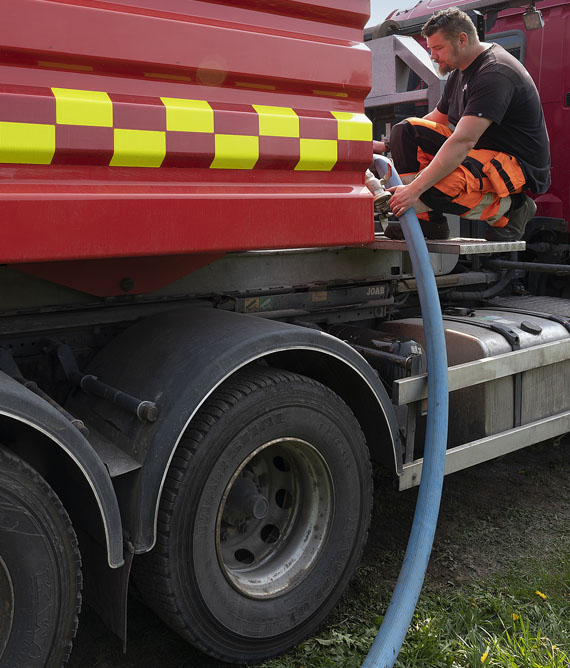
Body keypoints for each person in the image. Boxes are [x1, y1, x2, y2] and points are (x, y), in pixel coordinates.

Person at [379, 7, 551, 241]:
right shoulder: (460, 72)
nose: (432, 55)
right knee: (404, 131)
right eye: (431, 49)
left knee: (433, 188)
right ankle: (428, 223)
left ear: (462, 39)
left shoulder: (494, 72)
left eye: (438, 48)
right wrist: (387, 146)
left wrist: (414, 190)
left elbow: (462, 140)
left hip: (513, 162)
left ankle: (514, 209)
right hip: (479, 151)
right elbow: (433, 121)